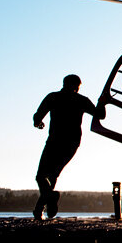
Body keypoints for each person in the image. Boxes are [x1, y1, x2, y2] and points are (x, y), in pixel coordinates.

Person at [32, 74, 104, 220]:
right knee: (52, 175)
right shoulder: (81, 100)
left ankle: (45, 203)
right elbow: (100, 115)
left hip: (54, 141)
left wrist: (38, 123)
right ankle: (41, 208)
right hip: (71, 143)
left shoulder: (53, 97)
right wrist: (102, 101)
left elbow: (37, 116)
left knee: (41, 176)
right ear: (77, 86)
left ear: (64, 84)